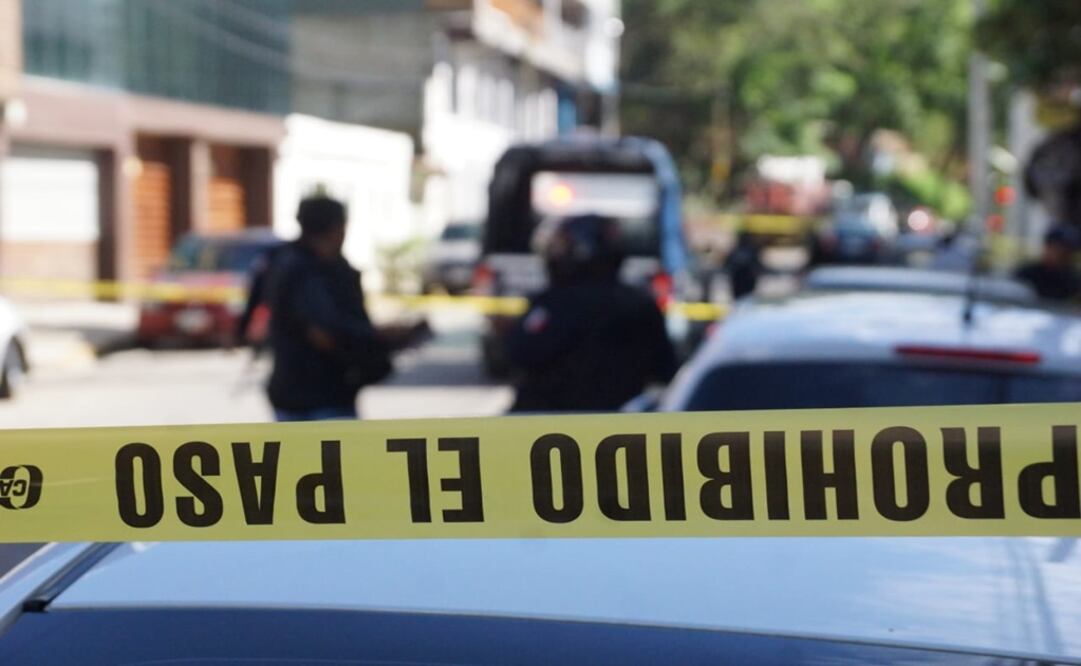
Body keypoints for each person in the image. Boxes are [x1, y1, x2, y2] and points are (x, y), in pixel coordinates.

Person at [506, 214, 678, 413]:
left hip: (550, 422)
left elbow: (518, 352)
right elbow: (665, 369)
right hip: (621, 424)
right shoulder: (640, 304)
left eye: (563, 247)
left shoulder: (555, 304)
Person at [264, 196, 391, 421]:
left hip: (303, 393)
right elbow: (325, 331)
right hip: (320, 396)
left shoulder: (287, 262)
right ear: (336, 228)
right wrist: (377, 336)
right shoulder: (307, 270)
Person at [1015, 226, 1081, 302]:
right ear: (1047, 247)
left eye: (1067, 251)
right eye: (1057, 249)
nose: (1062, 255)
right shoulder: (1026, 273)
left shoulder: (1074, 280)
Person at [724, 230, 762, 300]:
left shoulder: (736, 251)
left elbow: (727, 266)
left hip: (741, 281)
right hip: (743, 281)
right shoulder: (751, 250)